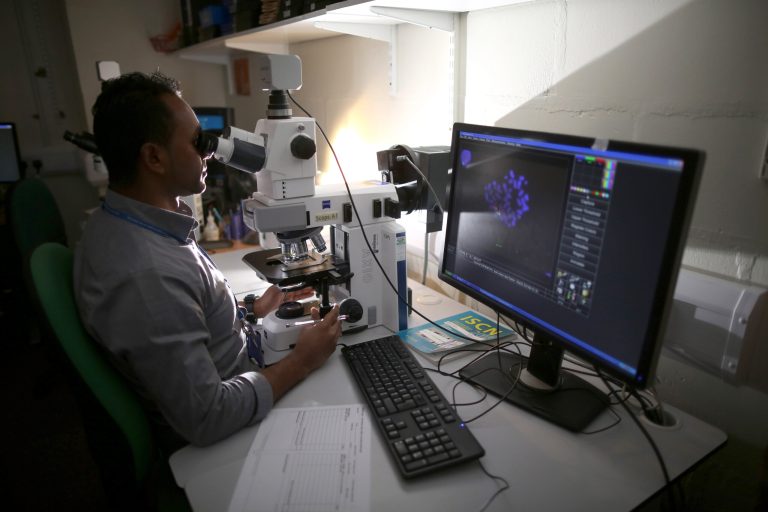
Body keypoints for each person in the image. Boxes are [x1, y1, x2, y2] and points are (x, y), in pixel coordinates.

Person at [74, 71, 342, 448]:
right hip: (225, 434)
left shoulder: (126, 223)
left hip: (237, 376)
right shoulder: (148, 274)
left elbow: (188, 316)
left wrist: (250, 309)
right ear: (153, 156)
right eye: (196, 141)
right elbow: (207, 416)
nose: (209, 153)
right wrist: (302, 362)